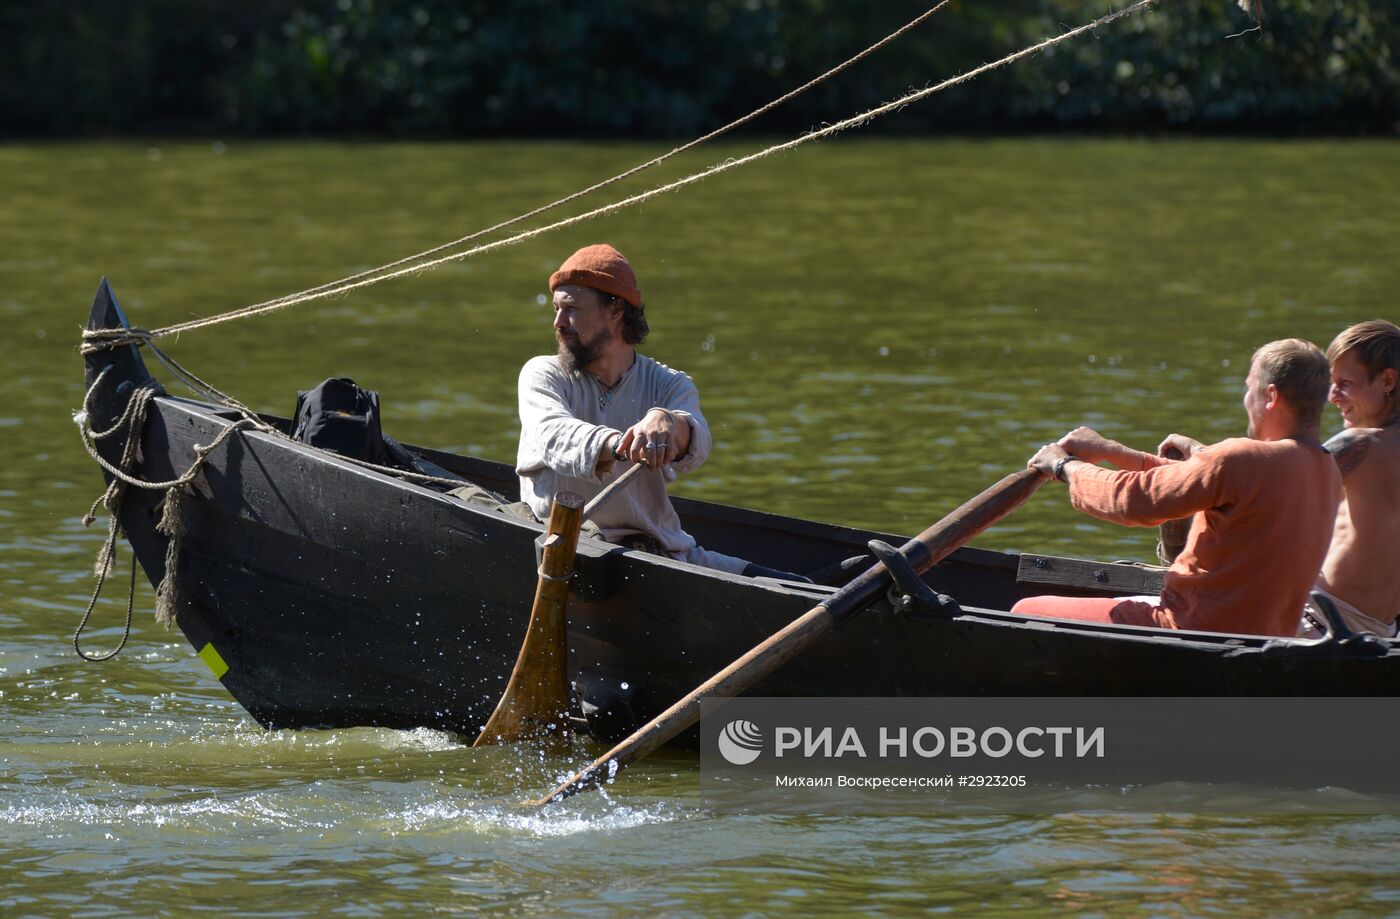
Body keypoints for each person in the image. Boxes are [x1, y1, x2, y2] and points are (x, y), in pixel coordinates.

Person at [1014, 339, 1342, 637]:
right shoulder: (1326, 468)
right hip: (1270, 635)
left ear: (1271, 396)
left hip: (1191, 629)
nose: (1245, 400)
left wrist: (1063, 466)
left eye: (1249, 389)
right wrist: (1114, 452)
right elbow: (1199, 485)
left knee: (1024, 612)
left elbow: (1133, 501)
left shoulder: (1242, 457)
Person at [516, 243, 801, 580]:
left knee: (796, 585)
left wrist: (668, 422)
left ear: (616, 312)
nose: (558, 323)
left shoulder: (669, 384)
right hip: (565, 545)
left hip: (657, 552)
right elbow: (554, 435)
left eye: (572, 309)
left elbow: (697, 443)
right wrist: (621, 444)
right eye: (556, 310)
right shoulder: (542, 373)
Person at [1305, 321, 1400, 636]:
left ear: (1387, 381)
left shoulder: (1361, 444)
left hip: (1319, 622)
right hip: (1381, 631)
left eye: (1344, 382)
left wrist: (1201, 456)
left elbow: (1278, 476)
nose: (1332, 396)